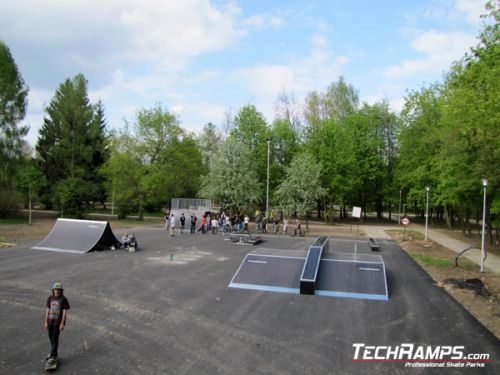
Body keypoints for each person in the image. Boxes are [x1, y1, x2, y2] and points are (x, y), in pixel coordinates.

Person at [44, 282, 70, 364]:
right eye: (56, 289)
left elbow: (65, 311)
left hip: (57, 323)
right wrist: (45, 322)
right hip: (50, 321)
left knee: (55, 338)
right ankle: (53, 352)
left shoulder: (63, 299)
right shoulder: (50, 298)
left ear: (61, 291)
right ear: (53, 290)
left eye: (58, 290)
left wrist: (62, 323)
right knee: (51, 337)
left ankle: (53, 356)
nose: (57, 291)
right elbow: (47, 310)